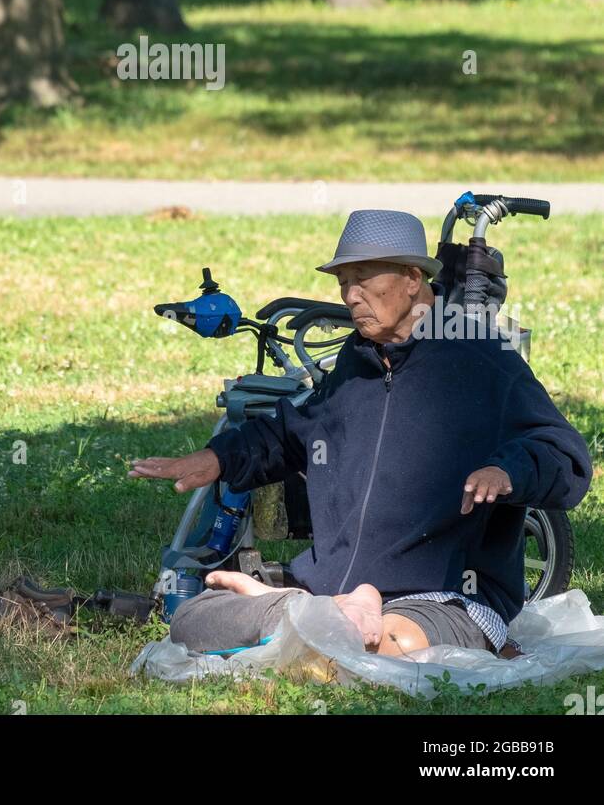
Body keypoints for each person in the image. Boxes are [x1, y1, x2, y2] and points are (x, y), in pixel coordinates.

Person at [128, 210, 593, 659]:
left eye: (364, 279)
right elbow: (296, 433)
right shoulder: (359, 358)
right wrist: (218, 459)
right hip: (330, 590)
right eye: (343, 282)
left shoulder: (480, 355)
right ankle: (312, 613)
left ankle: (304, 620)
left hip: (443, 598)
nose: (350, 296)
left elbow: (563, 455)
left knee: (393, 647)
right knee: (193, 620)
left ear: (413, 278)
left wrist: (507, 472)